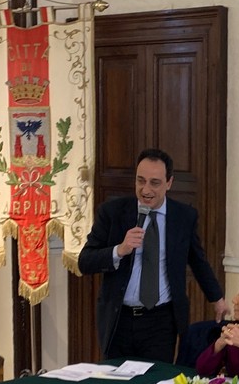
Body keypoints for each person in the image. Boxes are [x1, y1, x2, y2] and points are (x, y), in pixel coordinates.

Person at [78, 148, 229, 361]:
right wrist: (119, 250)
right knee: (116, 378)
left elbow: (197, 260)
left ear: (169, 183)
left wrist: (217, 298)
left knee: (156, 379)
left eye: (154, 183)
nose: (145, 190)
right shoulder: (112, 212)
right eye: (140, 181)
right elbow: (85, 261)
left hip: (161, 321)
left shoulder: (183, 216)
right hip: (119, 319)